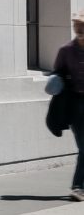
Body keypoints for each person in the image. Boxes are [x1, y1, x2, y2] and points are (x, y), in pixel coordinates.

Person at [53, 11, 84, 201]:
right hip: (77, 105)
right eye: (76, 25)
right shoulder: (66, 51)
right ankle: (77, 187)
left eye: (83, 25)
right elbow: (57, 73)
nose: (79, 29)